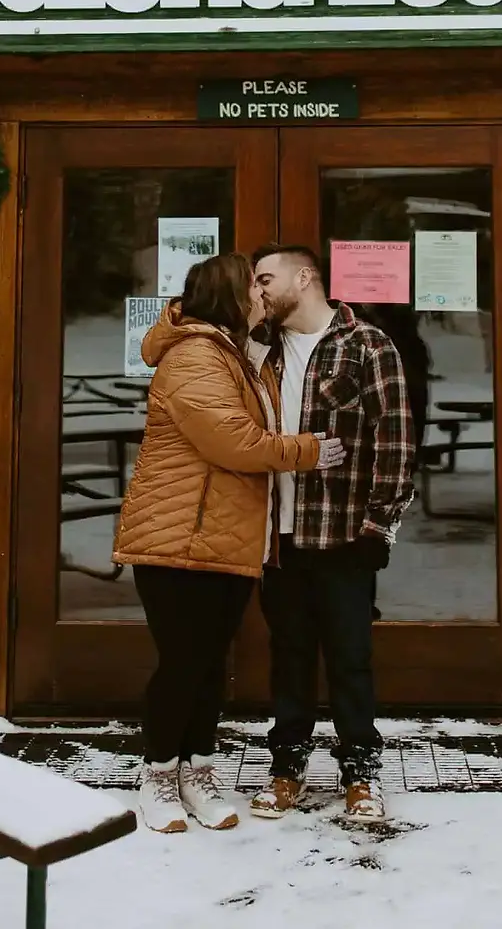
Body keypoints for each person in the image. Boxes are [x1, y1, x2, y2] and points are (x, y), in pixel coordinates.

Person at [113, 251, 345, 835]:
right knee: (182, 663)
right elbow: (235, 441)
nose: (264, 298)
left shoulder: (233, 354)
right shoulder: (195, 356)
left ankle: (198, 771)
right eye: (255, 289)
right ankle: (159, 775)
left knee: (209, 663)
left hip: (221, 539)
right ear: (230, 296)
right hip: (178, 538)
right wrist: (308, 450)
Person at [250, 244, 415, 822]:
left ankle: (361, 774)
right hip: (276, 536)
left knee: (350, 657)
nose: (259, 291)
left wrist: (380, 523)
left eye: (266, 279)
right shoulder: (258, 352)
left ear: (305, 276)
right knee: (288, 656)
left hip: (343, 533)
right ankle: (286, 768)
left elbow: (394, 437)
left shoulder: (367, 345)